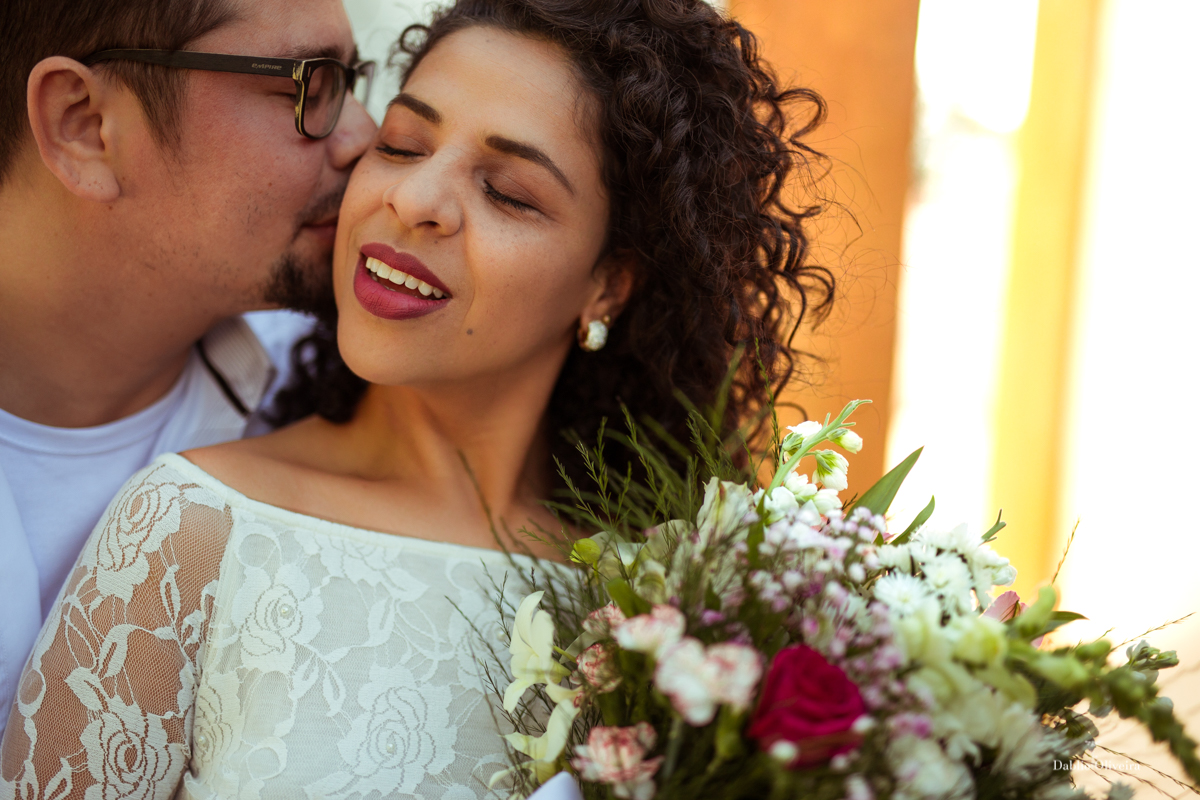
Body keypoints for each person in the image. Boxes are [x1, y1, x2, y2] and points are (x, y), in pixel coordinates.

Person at [0, 0, 834, 795]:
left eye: (507, 192)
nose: (412, 199)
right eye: (403, 144)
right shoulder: (189, 527)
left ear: (608, 286)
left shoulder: (671, 605)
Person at [0, 0, 378, 739]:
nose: (362, 136)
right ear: (85, 124)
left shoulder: (346, 396)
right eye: (309, 84)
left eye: (354, 78)